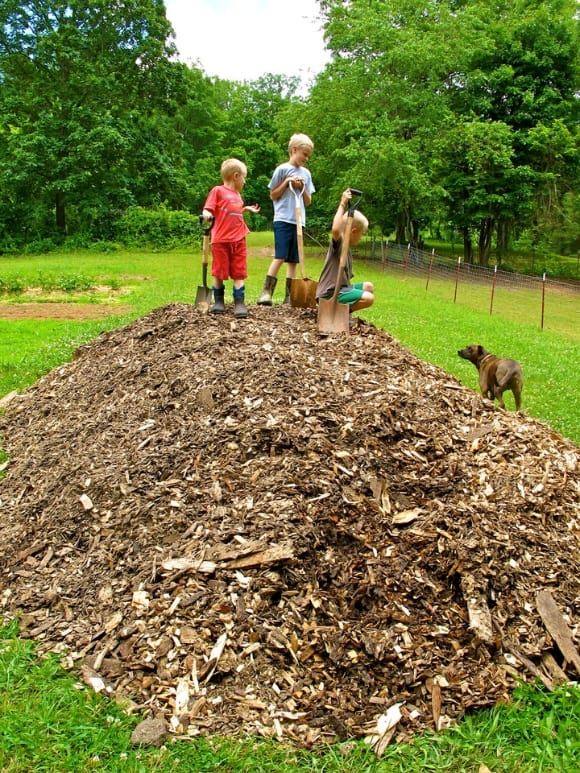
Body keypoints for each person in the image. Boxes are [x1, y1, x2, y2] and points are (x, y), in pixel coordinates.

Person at [257, 133, 315, 305]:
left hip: (299, 221)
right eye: (304, 154)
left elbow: (308, 201)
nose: (306, 158)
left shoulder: (306, 174)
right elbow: (273, 195)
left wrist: (303, 187)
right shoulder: (282, 170)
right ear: (294, 150)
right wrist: (287, 181)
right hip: (283, 219)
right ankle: (266, 292)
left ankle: (289, 296)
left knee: (293, 260)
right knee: (280, 256)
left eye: (308, 155)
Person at [202, 158, 260, 318]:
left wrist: (245, 209)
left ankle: (239, 302)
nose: (245, 181)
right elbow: (209, 208)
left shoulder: (238, 196)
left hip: (239, 239)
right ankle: (219, 301)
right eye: (244, 177)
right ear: (236, 176)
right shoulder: (218, 191)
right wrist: (207, 213)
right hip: (221, 240)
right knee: (219, 271)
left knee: (239, 270)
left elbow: (233, 212)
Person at [316, 189, 374, 314]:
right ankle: (340, 314)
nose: (361, 237)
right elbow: (336, 230)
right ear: (353, 231)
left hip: (342, 289)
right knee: (368, 298)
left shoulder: (347, 247)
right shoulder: (340, 242)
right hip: (330, 293)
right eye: (361, 234)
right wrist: (342, 204)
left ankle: (340, 311)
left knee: (368, 286)